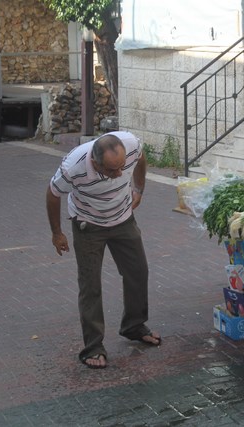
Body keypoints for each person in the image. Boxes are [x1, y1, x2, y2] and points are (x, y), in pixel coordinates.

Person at [46, 131, 161, 369]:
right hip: (88, 224)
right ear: (95, 162)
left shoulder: (131, 144)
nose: (119, 174)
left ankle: (134, 326)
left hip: (123, 218)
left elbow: (140, 158)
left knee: (138, 271)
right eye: (111, 170)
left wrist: (139, 188)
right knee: (90, 286)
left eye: (121, 167)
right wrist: (57, 233)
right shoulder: (73, 166)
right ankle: (93, 347)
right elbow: (53, 193)